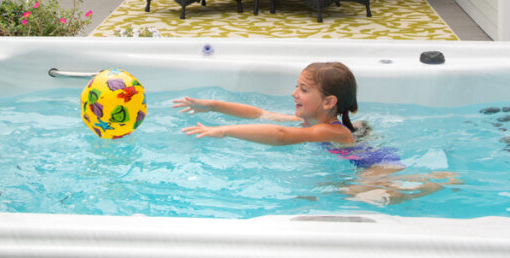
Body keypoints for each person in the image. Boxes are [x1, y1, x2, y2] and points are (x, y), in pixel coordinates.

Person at [173, 62, 458, 206]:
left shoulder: (328, 131)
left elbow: (281, 136)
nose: (294, 93)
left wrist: (225, 131)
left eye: (304, 90)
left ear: (329, 102)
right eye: (297, 86)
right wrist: (209, 106)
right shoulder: (312, 121)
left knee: (350, 195)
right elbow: (256, 113)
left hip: (376, 167)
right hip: (362, 156)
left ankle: (432, 182)